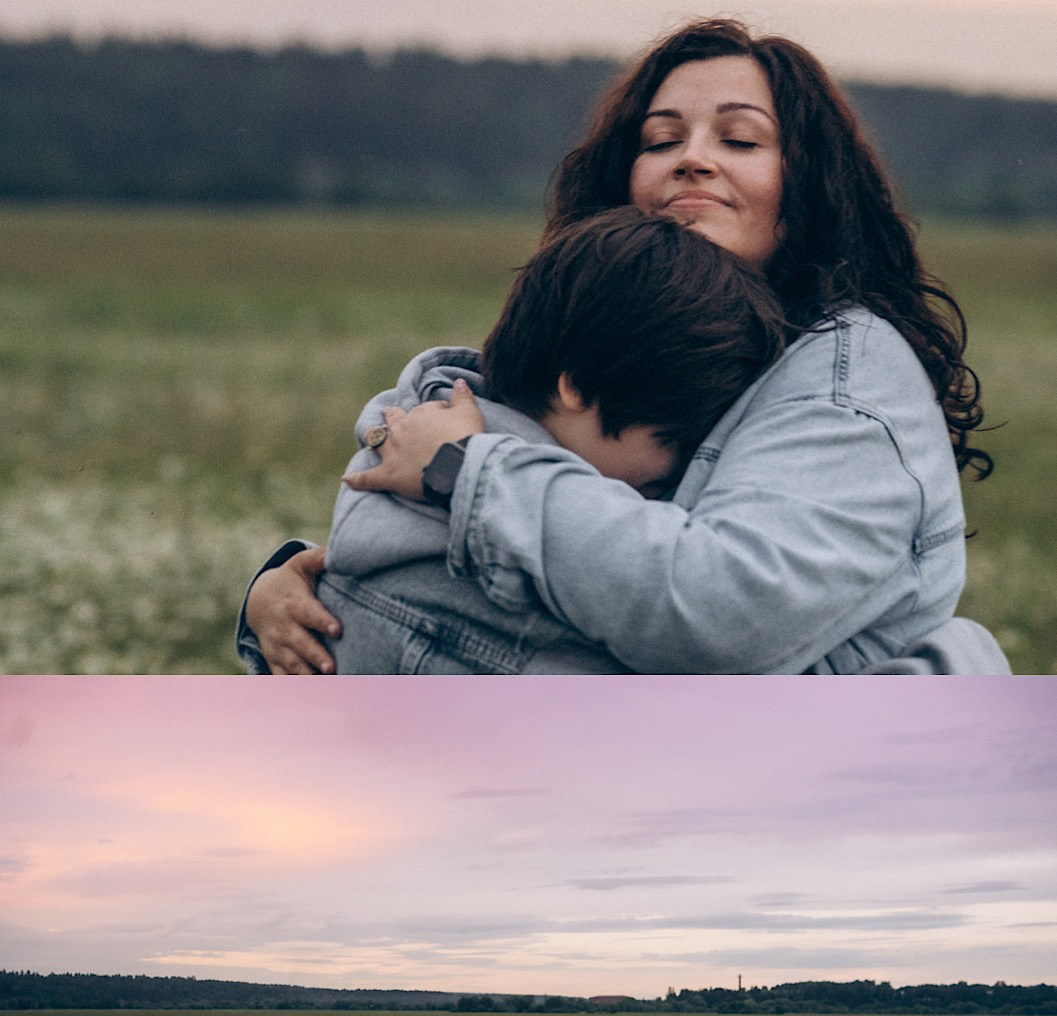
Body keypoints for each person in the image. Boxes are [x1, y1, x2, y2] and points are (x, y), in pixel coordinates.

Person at [241, 18, 1009, 675]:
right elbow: (522, 591)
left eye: (739, 138)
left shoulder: (844, 371)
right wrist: (302, 589)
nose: (692, 157)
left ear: (812, 185)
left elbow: (714, 610)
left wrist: (463, 471)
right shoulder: (616, 334)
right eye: (662, 138)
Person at [240, 208, 785, 674]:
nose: (680, 468)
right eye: (675, 439)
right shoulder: (517, 589)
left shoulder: (408, 455)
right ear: (578, 387)